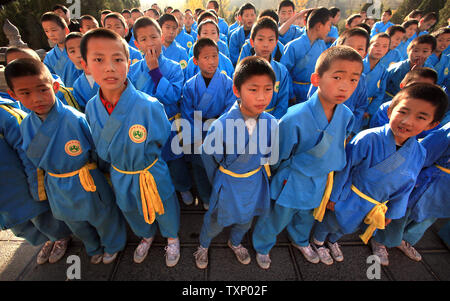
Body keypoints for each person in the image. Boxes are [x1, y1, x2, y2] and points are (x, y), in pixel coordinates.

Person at [5, 58, 127, 265]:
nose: (36, 99)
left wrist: (108, 176)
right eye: (25, 93)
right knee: (74, 221)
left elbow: (96, 150)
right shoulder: (26, 124)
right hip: (56, 183)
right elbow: (31, 158)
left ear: (54, 86)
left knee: (103, 215)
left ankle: (113, 244)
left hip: (85, 177)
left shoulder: (74, 118)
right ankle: (92, 246)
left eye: (42, 90)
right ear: (13, 95)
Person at [311, 83, 446, 266]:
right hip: (350, 195)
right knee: (331, 222)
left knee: (350, 226)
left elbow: (406, 187)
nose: (407, 121)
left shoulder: (419, 152)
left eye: (420, 117)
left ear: (432, 125)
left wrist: (393, 210)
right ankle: (318, 242)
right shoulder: (368, 138)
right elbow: (346, 168)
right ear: (390, 111)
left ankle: (333, 241)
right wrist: (334, 196)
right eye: (403, 112)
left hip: (374, 203)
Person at [252, 46, 360, 269]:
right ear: (316, 78)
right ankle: (262, 245)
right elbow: (277, 154)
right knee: (278, 215)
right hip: (294, 178)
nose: (344, 86)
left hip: (321, 178)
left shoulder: (346, 115)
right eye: (337, 77)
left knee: (307, 215)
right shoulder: (295, 116)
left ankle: (300, 239)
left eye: (353, 80)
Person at [82, 28, 181, 267]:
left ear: (129, 62)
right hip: (121, 172)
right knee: (130, 207)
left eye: (118, 59)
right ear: (85, 66)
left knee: (165, 204)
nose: (109, 67)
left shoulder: (149, 106)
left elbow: (160, 138)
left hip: (149, 169)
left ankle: (172, 237)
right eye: (98, 60)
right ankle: (146, 235)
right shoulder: (91, 107)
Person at [193, 56, 277, 269]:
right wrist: (219, 179)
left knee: (246, 218)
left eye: (268, 89)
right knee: (215, 219)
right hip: (228, 181)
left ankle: (236, 242)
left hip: (254, 180)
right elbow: (209, 158)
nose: (262, 97)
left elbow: (269, 153)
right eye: (253, 89)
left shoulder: (271, 122)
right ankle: (203, 245)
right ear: (237, 91)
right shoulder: (221, 125)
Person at [128, 16, 194, 207]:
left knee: (176, 160)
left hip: (170, 124)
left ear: (161, 36)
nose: (150, 43)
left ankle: (183, 187)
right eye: (144, 39)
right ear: (136, 43)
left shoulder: (173, 68)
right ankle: (161, 192)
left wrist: (155, 71)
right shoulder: (133, 71)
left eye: (154, 37)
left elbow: (173, 96)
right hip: (145, 126)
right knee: (152, 162)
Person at [0, 97, 72, 265]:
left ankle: (60, 237)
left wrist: (36, 182)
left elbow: (28, 149)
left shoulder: (5, 114)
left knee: (41, 216)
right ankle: (47, 239)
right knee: (19, 224)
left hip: (19, 184)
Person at [180, 38, 236, 209]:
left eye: (215, 56)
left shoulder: (227, 82)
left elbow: (231, 110)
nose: (212, 61)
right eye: (206, 57)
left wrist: (217, 132)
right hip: (198, 132)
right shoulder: (190, 86)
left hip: (221, 129)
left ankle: (221, 195)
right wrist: (197, 138)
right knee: (199, 167)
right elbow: (187, 114)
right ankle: (205, 197)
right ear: (195, 61)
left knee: (222, 165)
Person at [382, 121, 449, 263]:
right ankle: (380, 239)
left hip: (445, 189)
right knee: (404, 211)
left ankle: (403, 239)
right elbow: (426, 151)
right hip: (433, 180)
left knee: (430, 216)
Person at [281, 7, 331, 104]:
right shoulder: (293, 46)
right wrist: (291, 94)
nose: (329, 29)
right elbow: (284, 73)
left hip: (314, 91)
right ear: (319, 26)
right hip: (294, 93)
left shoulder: (321, 45)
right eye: (328, 25)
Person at [250, 16, 292, 119]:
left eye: (270, 40)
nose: (265, 44)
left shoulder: (281, 71)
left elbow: (282, 103)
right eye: (260, 39)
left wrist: (272, 124)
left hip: (274, 121)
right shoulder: (245, 69)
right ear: (252, 42)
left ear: (276, 42)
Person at [369, 67, 438, 129]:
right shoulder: (386, 108)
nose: (419, 92)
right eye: (415, 86)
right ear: (402, 85)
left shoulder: (430, 114)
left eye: (426, 89)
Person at [384, 34, 436, 102]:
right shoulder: (397, 68)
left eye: (425, 51)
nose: (419, 54)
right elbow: (382, 87)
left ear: (431, 53)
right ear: (408, 50)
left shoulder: (430, 71)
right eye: (416, 51)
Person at [363, 33, 390, 126]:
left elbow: (380, 94)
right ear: (369, 46)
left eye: (384, 46)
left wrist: (370, 110)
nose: (380, 49)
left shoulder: (383, 71)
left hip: (366, 107)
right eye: (376, 45)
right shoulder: (358, 64)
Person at [41, 12, 70, 79]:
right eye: (46, 31)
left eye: (53, 30)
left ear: (66, 30)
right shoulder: (49, 57)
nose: (50, 34)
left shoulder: (81, 49)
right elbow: (50, 78)